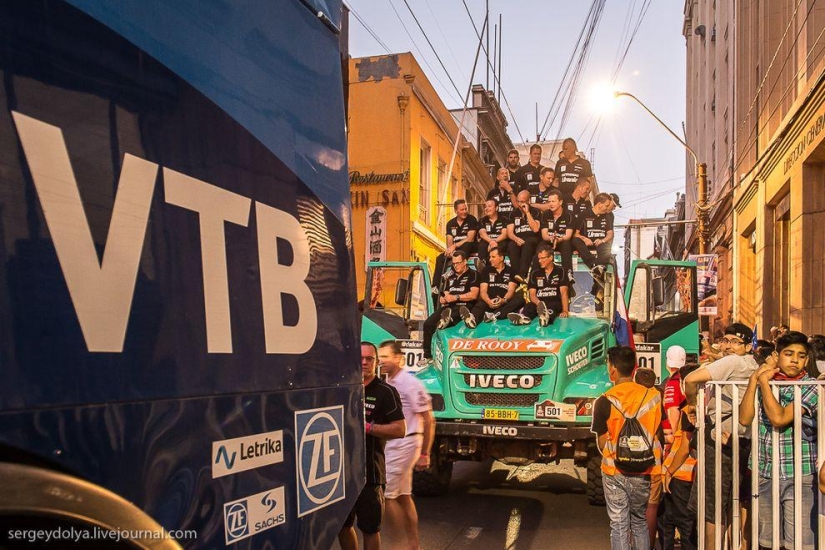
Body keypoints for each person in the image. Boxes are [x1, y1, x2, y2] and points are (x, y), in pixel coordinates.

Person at [738, 331, 817, 550]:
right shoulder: (767, 381)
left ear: (807, 360)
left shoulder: (811, 386)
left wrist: (763, 382)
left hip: (800, 473)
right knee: (767, 542)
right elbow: (744, 418)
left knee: (798, 544)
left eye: (801, 356)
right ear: (776, 355)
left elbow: (779, 418)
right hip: (765, 471)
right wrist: (755, 379)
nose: (794, 359)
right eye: (789, 354)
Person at [684, 322, 757, 550]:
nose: (728, 346)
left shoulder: (734, 362)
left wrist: (691, 406)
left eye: (736, 342)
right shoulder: (751, 364)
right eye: (726, 340)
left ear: (747, 346)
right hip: (742, 440)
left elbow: (690, 380)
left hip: (721, 442)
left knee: (712, 508)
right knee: (736, 503)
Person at [591, 345, 662, 550]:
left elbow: (603, 442)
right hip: (645, 469)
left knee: (619, 523)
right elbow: (657, 433)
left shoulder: (604, 400)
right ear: (634, 368)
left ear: (613, 369)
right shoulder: (653, 397)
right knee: (639, 520)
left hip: (615, 470)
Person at [338, 342, 406, 550]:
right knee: (341, 525)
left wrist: (368, 427)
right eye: (361, 358)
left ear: (376, 363)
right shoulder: (341, 388)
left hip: (371, 473)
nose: (365, 362)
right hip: (341, 473)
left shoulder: (386, 392)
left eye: (370, 359)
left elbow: (399, 429)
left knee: (370, 528)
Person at [379, 340, 435, 550]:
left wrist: (425, 453)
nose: (382, 361)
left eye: (386, 357)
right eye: (380, 357)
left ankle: (398, 545)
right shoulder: (389, 382)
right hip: (395, 443)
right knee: (402, 496)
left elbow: (429, 419)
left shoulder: (409, 383)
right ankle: (413, 545)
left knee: (387, 496)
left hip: (405, 442)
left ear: (398, 358)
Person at [660, 364, 700, 550]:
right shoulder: (702, 405)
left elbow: (683, 447)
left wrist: (669, 470)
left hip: (682, 475)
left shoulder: (690, 411)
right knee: (672, 520)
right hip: (684, 474)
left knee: (683, 524)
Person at [420, 250, 479, 366]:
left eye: (458, 263)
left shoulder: (474, 274)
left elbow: (473, 295)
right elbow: (445, 292)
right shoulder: (449, 275)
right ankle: (428, 356)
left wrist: (455, 297)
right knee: (428, 324)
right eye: (454, 263)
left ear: (465, 261)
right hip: (448, 306)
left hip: (464, 306)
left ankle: (446, 321)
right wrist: (444, 298)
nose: (455, 266)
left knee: (454, 318)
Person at [461, 246, 524, 327]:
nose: (490, 259)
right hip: (489, 301)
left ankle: (495, 315)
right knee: (480, 304)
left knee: (520, 300)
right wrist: (488, 301)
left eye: (493, 257)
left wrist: (503, 300)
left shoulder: (511, 271)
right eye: (490, 257)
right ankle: (472, 320)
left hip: (503, 302)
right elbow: (483, 291)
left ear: (501, 258)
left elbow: (511, 290)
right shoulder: (486, 270)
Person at [508, 244, 569, 327]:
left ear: (551, 258)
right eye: (539, 258)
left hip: (554, 302)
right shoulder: (535, 273)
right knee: (529, 306)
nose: (540, 261)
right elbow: (532, 294)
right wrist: (539, 304)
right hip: (538, 302)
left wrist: (565, 311)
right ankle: (523, 318)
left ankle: (546, 317)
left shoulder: (560, 271)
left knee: (552, 308)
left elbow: (564, 293)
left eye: (542, 258)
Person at [432, 199, 477, 287]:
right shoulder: (450, 223)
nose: (465, 211)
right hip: (455, 250)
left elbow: (470, 238)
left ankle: (452, 271)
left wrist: (455, 245)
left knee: (467, 245)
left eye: (465, 209)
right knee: (440, 258)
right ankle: (436, 286)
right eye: (462, 210)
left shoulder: (471, 219)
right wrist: (451, 252)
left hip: (469, 247)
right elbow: (449, 242)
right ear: (456, 211)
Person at [571, 192, 614, 276]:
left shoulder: (607, 216)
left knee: (607, 247)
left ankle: (600, 267)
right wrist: (584, 239)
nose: (608, 208)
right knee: (575, 241)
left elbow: (610, 234)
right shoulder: (583, 214)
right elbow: (575, 234)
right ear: (599, 204)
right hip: (586, 244)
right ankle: (592, 264)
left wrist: (602, 240)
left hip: (600, 244)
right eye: (606, 205)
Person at [539, 188, 575, 286]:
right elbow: (544, 235)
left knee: (567, 244)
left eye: (553, 201)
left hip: (562, 240)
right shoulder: (545, 214)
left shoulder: (569, 214)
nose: (551, 204)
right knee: (541, 246)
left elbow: (568, 236)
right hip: (549, 240)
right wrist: (551, 238)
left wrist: (559, 239)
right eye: (549, 201)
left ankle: (568, 275)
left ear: (560, 202)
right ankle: (536, 273)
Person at [506, 190, 541, 282]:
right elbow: (509, 232)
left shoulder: (535, 212)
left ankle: (522, 273)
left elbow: (536, 229)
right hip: (518, 238)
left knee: (528, 242)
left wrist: (527, 213)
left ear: (528, 201)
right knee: (511, 245)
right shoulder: (513, 213)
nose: (520, 204)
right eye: (518, 201)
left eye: (522, 202)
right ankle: (516, 275)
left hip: (532, 239)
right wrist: (516, 239)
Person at [662, 345, 687, 447]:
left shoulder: (673, 383)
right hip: (684, 434)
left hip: (676, 438)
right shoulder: (686, 379)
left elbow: (673, 411)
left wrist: (671, 438)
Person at [477, 199, 509, 266]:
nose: (487, 208)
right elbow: (482, 234)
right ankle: (483, 266)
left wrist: (495, 241)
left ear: (496, 208)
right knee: (482, 245)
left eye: (489, 206)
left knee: (503, 245)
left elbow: (505, 234)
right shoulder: (482, 220)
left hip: (500, 241)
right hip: (487, 241)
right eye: (485, 206)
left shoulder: (504, 218)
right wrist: (491, 242)